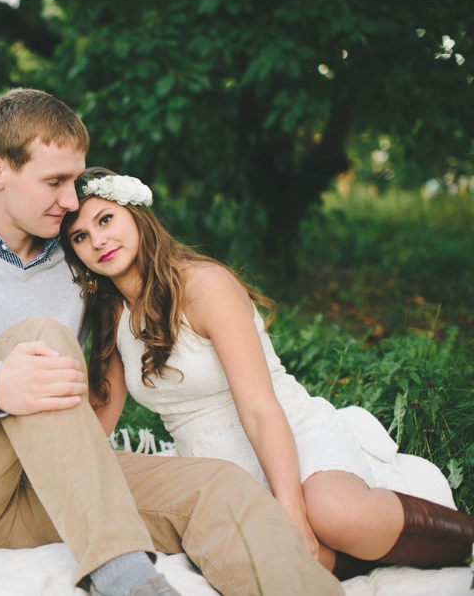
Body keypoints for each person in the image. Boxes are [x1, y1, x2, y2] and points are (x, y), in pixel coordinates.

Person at [0, 89, 344, 596]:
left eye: (74, 179)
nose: (72, 201)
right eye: (55, 182)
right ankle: (124, 577)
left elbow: (137, 306)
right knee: (43, 340)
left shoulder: (79, 262)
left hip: (33, 488)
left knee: (218, 485)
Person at [59, 167, 474, 581]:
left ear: (135, 214)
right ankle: (373, 556)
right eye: (80, 236)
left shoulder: (204, 287)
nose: (98, 241)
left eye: (106, 219)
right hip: (213, 472)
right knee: (270, 561)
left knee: (333, 513)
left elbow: (260, 410)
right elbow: (102, 414)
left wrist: (292, 512)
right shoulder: (112, 311)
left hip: (285, 434)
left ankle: (464, 539)